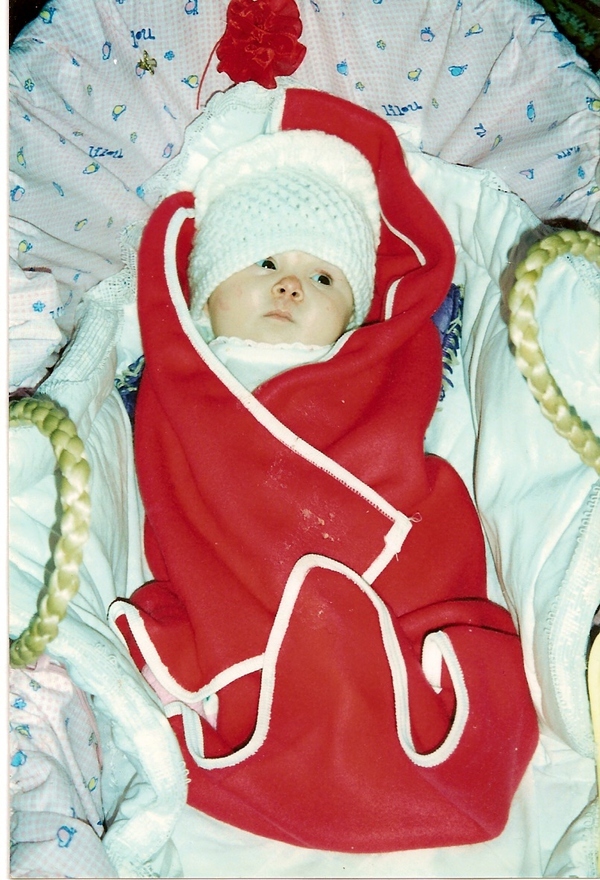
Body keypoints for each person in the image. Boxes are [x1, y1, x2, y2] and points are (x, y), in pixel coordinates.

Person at [111, 85, 539, 854]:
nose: (290, 286)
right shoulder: (186, 375)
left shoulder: (360, 366)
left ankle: (385, 713)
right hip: (240, 588)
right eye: (266, 262)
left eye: (324, 279)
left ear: (352, 311)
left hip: (374, 565)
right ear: (206, 288)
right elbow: (176, 496)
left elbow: (403, 459)